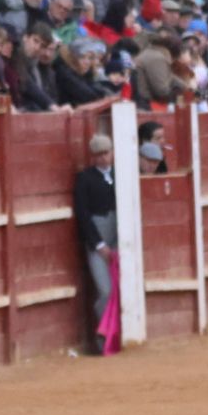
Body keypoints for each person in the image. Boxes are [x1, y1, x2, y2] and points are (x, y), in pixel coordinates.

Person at [73, 134, 117, 355]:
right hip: (97, 241)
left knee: (122, 289)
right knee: (105, 290)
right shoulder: (85, 179)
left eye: (106, 152)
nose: (104, 158)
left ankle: (120, 337)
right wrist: (99, 244)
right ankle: (103, 340)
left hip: (120, 239)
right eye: (99, 154)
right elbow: (83, 215)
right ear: (93, 156)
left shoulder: (120, 174)